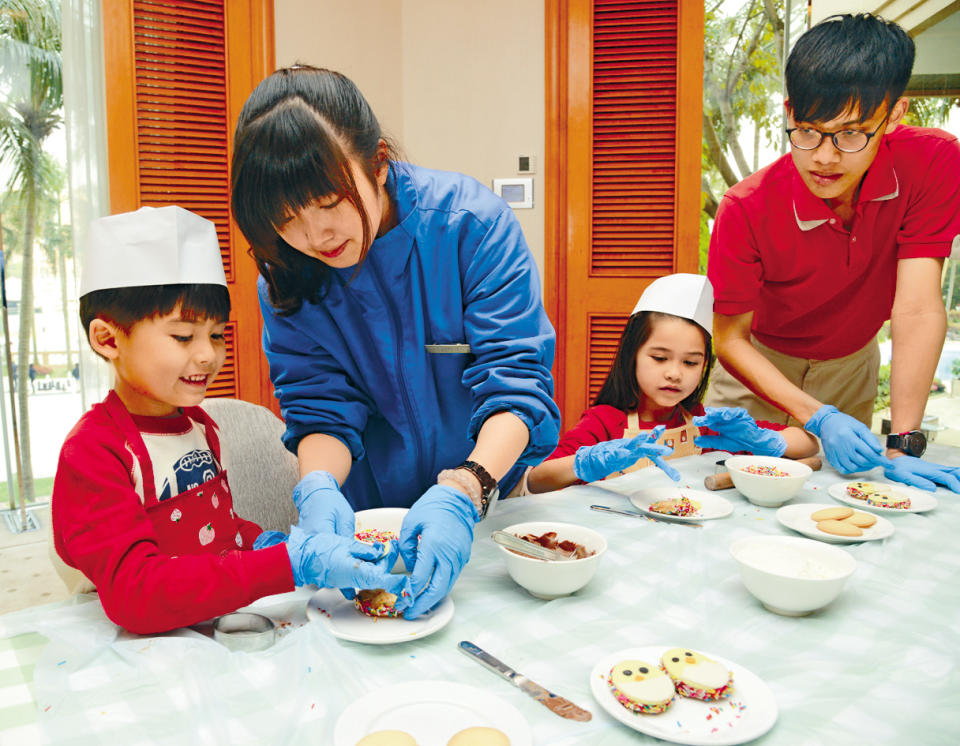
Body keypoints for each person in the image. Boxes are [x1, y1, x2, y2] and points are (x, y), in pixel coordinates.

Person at [231, 66, 561, 619]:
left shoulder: (470, 227)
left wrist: (466, 488)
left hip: (473, 506)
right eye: (287, 220)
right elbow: (322, 412)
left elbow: (517, 385)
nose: (317, 236)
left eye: (328, 201)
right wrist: (316, 490)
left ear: (378, 163)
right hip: (365, 532)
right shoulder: (288, 278)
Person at [51, 206, 408, 635]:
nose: (208, 354)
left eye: (216, 334)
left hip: (220, 625)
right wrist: (286, 563)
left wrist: (263, 543)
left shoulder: (199, 426)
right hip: (145, 648)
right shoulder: (94, 453)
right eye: (183, 336)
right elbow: (136, 595)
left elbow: (215, 525)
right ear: (108, 339)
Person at [705, 13, 960, 492]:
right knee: (728, 491)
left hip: (850, 364)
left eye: (851, 133)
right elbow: (731, 340)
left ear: (896, 114)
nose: (824, 157)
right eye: (807, 130)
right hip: (759, 368)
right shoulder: (746, 207)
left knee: (839, 499)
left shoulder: (933, 162)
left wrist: (904, 441)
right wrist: (817, 417)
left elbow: (919, 306)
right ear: (788, 112)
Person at [527, 275, 819, 493]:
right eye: (659, 358)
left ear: (705, 366)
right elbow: (538, 480)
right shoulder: (605, 422)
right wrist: (584, 463)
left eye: (690, 362)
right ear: (633, 357)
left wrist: (761, 439)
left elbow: (808, 445)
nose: (675, 373)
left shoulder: (707, 426)